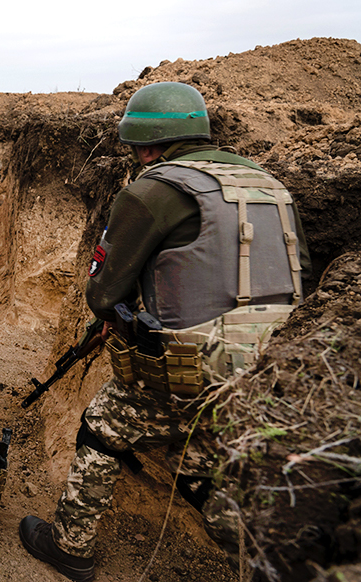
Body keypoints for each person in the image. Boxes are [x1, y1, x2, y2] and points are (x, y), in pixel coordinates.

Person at [18, 81, 311, 581]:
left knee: (104, 426)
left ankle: (69, 546)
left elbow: (103, 293)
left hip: (192, 365)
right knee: (199, 454)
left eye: (135, 149)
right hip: (272, 367)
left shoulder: (153, 190)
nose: (135, 158)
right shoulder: (269, 185)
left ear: (149, 144)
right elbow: (298, 271)